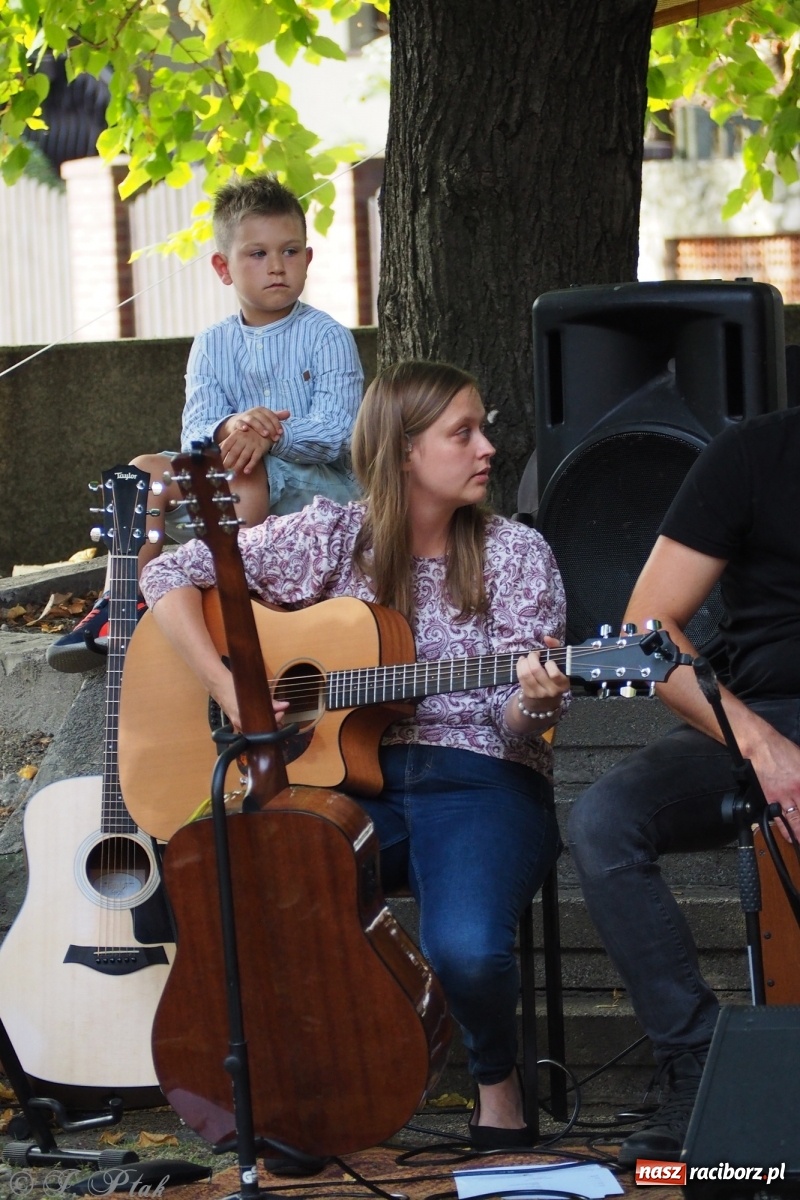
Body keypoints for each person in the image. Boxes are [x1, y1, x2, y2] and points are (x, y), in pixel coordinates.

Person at [138, 359, 571, 1148]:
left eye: (485, 429)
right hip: (344, 784)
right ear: (403, 452)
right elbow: (168, 572)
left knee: (467, 951)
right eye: (462, 433)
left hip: (481, 782)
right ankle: (298, 1102)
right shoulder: (332, 534)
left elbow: (520, 727)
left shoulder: (516, 554)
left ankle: (497, 1087)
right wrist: (232, 687)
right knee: (258, 899)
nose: (488, 450)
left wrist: (532, 704)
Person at [567, 403, 800, 1168]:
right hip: (758, 713)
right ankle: (698, 1065)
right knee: (605, 820)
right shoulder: (754, 453)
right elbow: (646, 632)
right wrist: (760, 744)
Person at [47, 172, 364, 673]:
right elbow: (195, 431)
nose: (276, 266)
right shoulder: (212, 343)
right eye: (256, 254)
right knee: (142, 471)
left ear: (308, 258)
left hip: (320, 493)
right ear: (223, 267)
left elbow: (338, 433)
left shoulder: (327, 336)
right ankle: (123, 602)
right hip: (229, 485)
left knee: (244, 464)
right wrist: (232, 425)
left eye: (290, 251)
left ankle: (233, 597)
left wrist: (268, 433)